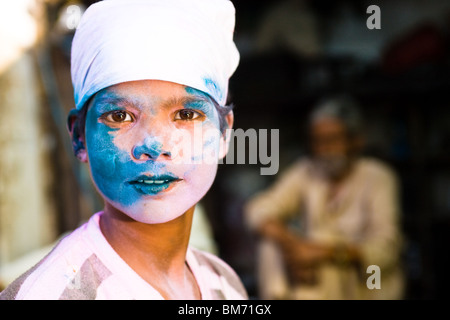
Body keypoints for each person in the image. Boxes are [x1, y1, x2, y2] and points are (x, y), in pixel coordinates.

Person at [0, 0, 247, 300]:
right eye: (120, 116)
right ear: (79, 137)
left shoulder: (223, 284)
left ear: (224, 133)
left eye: (186, 115)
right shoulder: (51, 294)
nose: (154, 146)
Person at [245, 96, 404, 300]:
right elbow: (259, 208)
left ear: (355, 140)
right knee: (270, 244)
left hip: (369, 279)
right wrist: (292, 245)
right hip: (314, 275)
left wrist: (324, 252)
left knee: (324, 250)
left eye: (332, 140)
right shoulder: (307, 171)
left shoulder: (378, 177)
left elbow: (384, 251)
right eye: (318, 141)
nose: (324, 149)